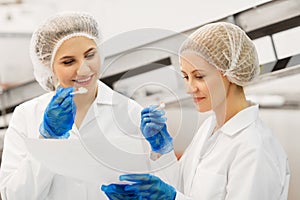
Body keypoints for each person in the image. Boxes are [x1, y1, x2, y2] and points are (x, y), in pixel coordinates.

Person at [101, 22, 290, 199]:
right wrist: (163, 151)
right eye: (185, 77)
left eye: (199, 76)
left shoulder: (254, 148)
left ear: (230, 72)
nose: (190, 88)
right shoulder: (209, 130)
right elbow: (182, 186)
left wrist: (172, 198)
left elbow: (177, 195)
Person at [0, 11, 149, 200]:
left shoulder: (130, 111)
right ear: (48, 65)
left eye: (90, 55)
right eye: (68, 61)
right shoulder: (27, 115)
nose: (84, 69)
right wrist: (48, 140)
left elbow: (148, 184)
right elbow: (13, 196)